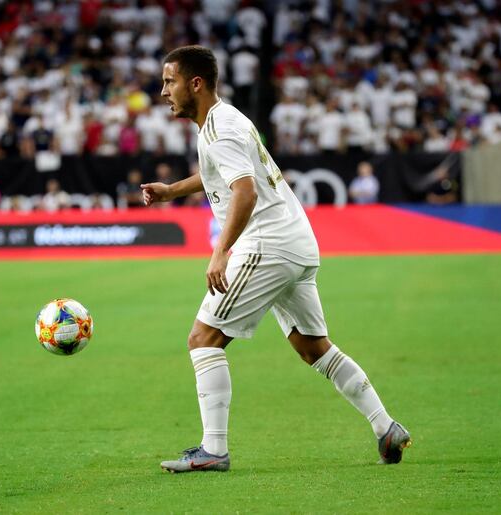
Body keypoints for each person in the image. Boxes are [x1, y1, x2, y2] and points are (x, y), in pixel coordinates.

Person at [140, 46, 410, 474]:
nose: (162, 91)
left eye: (169, 81)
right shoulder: (225, 120)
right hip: (296, 241)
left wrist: (220, 250)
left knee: (202, 339)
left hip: (265, 243)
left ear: (196, 83)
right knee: (313, 347)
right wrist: (172, 191)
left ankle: (214, 449)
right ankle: (386, 427)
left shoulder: (219, 129)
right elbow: (226, 177)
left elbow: (244, 192)